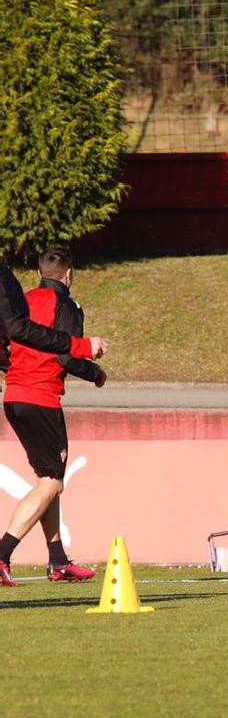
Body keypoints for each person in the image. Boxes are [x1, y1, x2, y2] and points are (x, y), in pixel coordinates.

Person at [0, 248, 107, 585]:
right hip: (41, 398)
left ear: (37, 274)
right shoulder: (68, 306)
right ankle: (2, 554)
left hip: (14, 395)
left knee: (48, 481)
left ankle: (57, 561)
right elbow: (66, 357)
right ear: (69, 275)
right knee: (51, 482)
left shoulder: (22, 299)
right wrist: (95, 372)